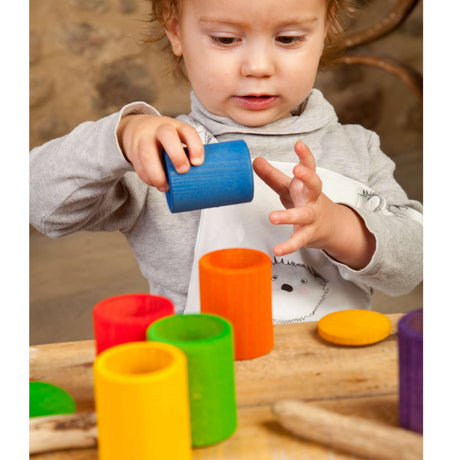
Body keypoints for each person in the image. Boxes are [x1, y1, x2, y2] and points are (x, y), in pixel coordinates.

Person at [30, 0, 422, 323]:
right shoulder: (158, 156)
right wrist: (119, 137)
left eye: (288, 38)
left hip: (329, 373)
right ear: (175, 31)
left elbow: (417, 260)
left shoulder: (357, 148)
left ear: (326, 30)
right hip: (201, 375)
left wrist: (342, 228)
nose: (258, 67)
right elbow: (36, 202)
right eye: (225, 39)